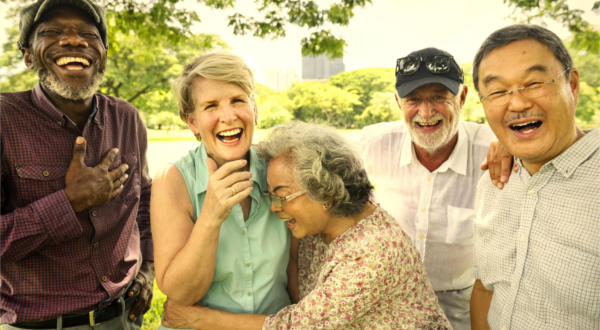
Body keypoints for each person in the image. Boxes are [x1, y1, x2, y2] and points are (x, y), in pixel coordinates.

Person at [160, 121, 452, 329]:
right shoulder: (319, 229)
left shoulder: (372, 250)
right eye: (271, 195)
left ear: (324, 191)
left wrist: (198, 319)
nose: (275, 207)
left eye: (283, 196)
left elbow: (297, 327)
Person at [1, 0, 155, 329]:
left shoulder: (126, 118)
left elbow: (145, 199)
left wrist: (148, 268)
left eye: (88, 33)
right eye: (52, 32)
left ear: (103, 54)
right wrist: (70, 203)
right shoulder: (4, 121)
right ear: (28, 55)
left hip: (122, 319)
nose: (74, 40)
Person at [355, 47, 507, 329]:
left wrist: (514, 147)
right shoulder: (372, 142)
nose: (426, 112)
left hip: (461, 304)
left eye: (439, 96)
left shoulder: (496, 149)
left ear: (461, 98)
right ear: (398, 102)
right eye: (414, 99)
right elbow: (313, 162)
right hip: (386, 299)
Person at [470, 24, 599, 330]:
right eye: (498, 91)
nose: (517, 103)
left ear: (574, 84)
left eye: (535, 82)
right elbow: (485, 288)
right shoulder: (493, 181)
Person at [150, 52, 291, 330]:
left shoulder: (281, 170)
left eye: (238, 101)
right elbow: (181, 294)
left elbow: (297, 269)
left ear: (255, 110)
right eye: (211, 106)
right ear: (192, 122)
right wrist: (211, 216)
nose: (228, 116)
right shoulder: (172, 180)